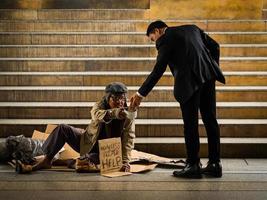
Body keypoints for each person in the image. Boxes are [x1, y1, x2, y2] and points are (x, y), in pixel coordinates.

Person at [130, 20, 225, 178]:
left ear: (158, 30)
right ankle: (215, 164)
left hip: (188, 83)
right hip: (208, 77)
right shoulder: (193, 28)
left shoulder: (165, 39)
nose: (155, 42)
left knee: (190, 124)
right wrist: (210, 67)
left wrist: (140, 94)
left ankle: (193, 165)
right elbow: (215, 46)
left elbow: (158, 69)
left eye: (153, 38)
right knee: (210, 120)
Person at [16, 82, 136, 173]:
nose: (120, 102)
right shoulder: (100, 105)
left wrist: (125, 161)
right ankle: (47, 160)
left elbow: (128, 139)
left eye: (123, 98)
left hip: (107, 150)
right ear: (108, 98)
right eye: (116, 98)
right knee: (62, 128)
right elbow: (95, 115)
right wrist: (113, 113)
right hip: (88, 140)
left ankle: (68, 162)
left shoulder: (128, 115)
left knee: (83, 162)